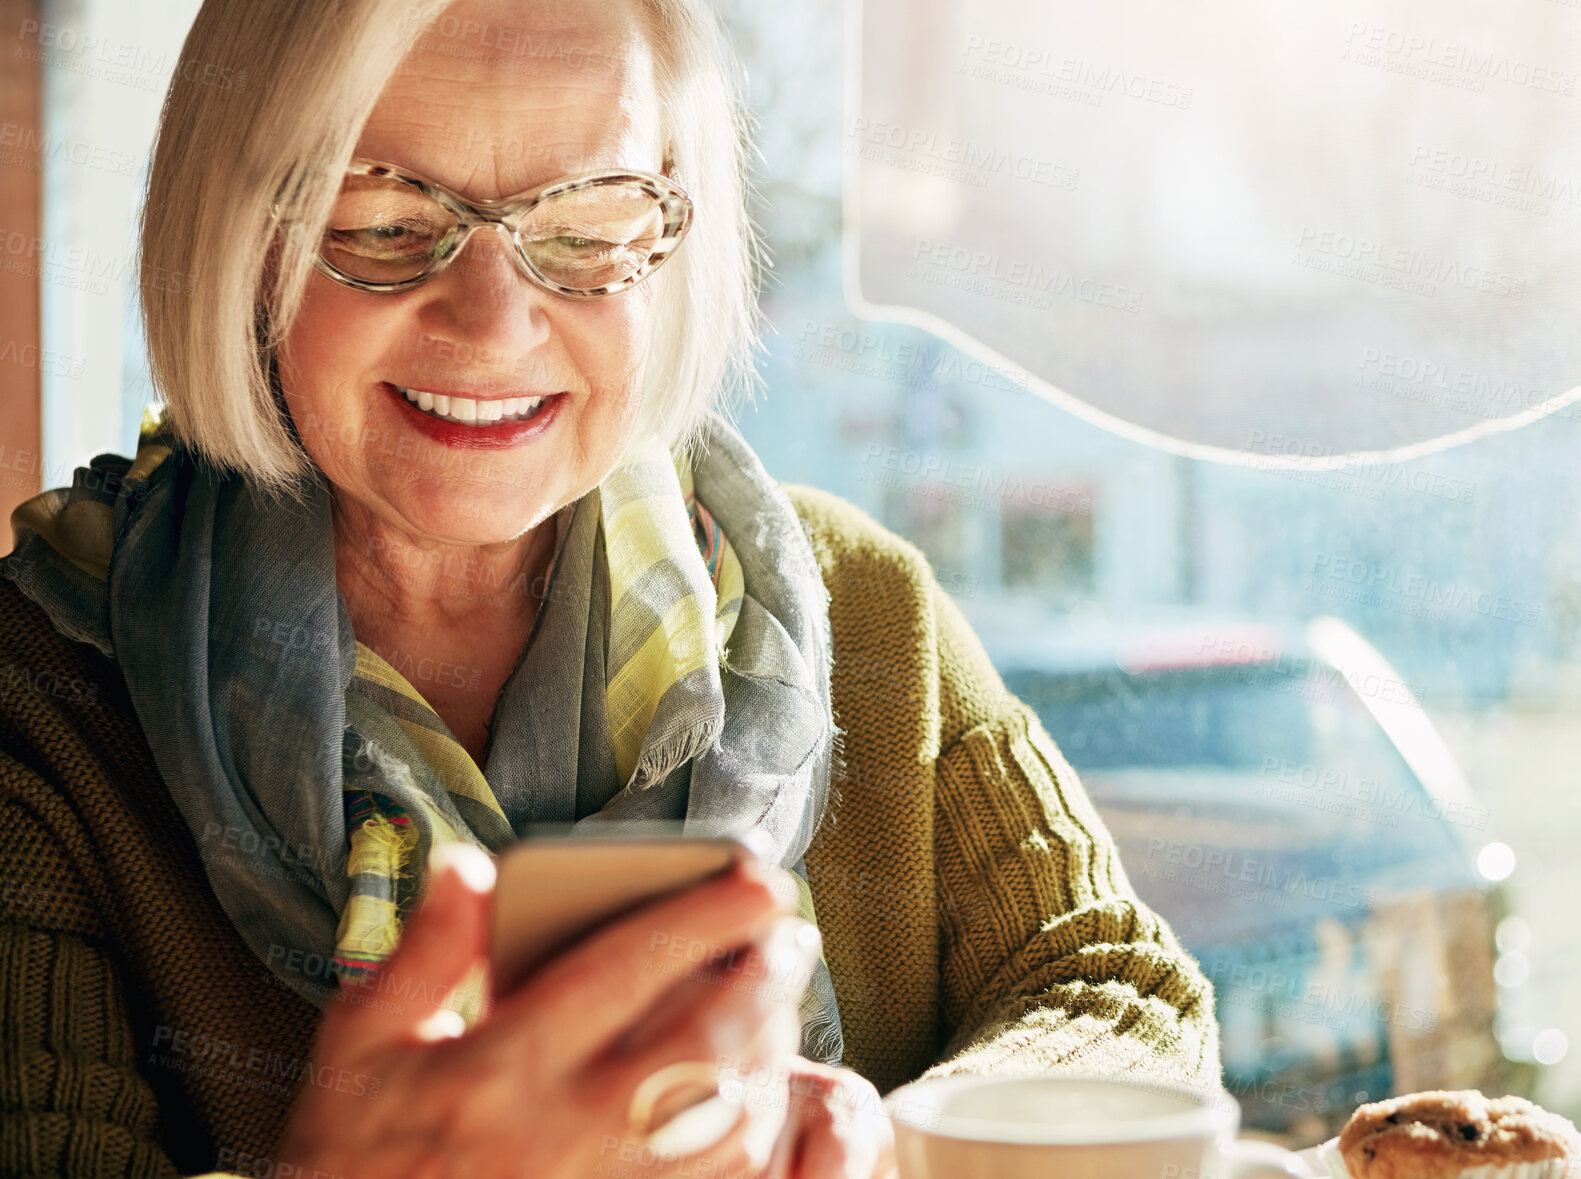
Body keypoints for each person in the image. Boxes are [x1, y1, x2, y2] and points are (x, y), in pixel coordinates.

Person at [0, 0, 1220, 1175]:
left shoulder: (864, 606)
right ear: (237, 241)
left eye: (587, 221)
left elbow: (1113, 990)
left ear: (671, 244)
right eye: (378, 217)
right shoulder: (37, 700)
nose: (492, 323)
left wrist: (888, 1151)